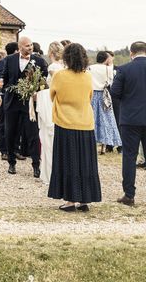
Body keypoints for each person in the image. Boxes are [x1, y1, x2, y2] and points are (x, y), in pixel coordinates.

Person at [48, 43, 101, 212]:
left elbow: (52, 95)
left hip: (66, 122)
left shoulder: (59, 75)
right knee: (85, 161)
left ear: (66, 57)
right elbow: (90, 96)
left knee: (67, 161)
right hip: (85, 122)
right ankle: (85, 199)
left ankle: (70, 201)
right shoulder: (87, 76)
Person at [0, 36, 48, 178]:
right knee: (10, 133)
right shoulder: (9, 59)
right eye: (26, 45)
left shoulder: (40, 61)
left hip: (30, 104)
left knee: (32, 135)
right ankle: (11, 163)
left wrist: (37, 90)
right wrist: (0, 91)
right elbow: (4, 78)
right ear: (20, 47)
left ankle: (36, 165)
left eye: (31, 45)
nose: (30, 47)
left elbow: (44, 82)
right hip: (12, 102)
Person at [111, 41, 146, 206]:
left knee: (129, 157)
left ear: (132, 53)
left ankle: (129, 195)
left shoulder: (124, 69)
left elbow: (115, 92)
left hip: (130, 119)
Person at [36, 41, 65, 184]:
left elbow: (55, 87)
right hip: (57, 103)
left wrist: (38, 93)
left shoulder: (53, 67)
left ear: (51, 52)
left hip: (50, 103)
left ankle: (51, 172)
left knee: (49, 139)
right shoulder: (63, 66)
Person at [89, 51, 122, 155]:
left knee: (92, 119)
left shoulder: (90, 68)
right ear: (106, 59)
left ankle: (92, 145)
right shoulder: (108, 69)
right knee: (105, 119)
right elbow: (110, 83)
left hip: (92, 95)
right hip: (104, 96)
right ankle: (103, 147)